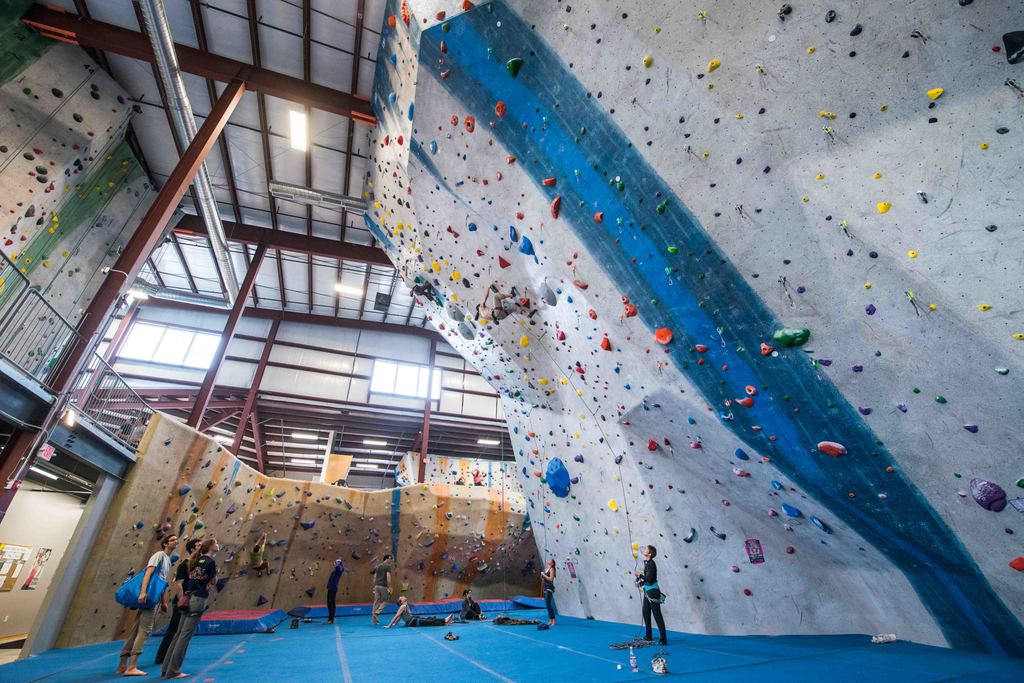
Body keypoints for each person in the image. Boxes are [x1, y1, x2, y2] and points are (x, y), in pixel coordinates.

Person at [116, 534, 177, 677]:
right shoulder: (159, 555)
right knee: (145, 630)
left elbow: (162, 583)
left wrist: (163, 602)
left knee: (136, 630)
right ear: (165, 544)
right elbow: (148, 574)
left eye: (176, 540)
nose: (176, 542)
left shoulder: (168, 560)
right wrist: (143, 592)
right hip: (148, 597)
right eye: (173, 540)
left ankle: (122, 664)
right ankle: (132, 666)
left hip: (153, 597)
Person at [162, 538, 220, 680]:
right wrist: (212, 580)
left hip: (188, 597)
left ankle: (166, 668)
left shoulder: (195, 561)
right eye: (216, 543)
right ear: (210, 547)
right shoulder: (210, 562)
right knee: (185, 636)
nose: (218, 545)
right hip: (198, 598)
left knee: (179, 634)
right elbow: (213, 581)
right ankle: (173, 671)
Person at [155, 538, 198, 666]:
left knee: (183, 630)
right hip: (181, 601)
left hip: (190, 600)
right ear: (192, 549)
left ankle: (174, 655)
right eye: (199, 545)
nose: (201, 547)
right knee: (174, 629)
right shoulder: (184, 564)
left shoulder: (196, 565)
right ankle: (161, 657)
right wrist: (182, 600)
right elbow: (178, 584)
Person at [633, 545, 667, 645]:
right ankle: (648, 636)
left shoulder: (651, 564)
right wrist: (640, 583)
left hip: (653, 592)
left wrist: (639, 575)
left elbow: (649, 579)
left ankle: (663, 639)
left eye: (646, 549)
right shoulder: (647, 563)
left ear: (650, 553)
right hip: (648, 591)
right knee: (646, 613)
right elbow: (648, 580)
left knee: (657, 615)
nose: (644, 549)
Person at [384, 596, 456, 628]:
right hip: (412, 621)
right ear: (401, 601)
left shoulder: (404, 605)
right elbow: (396, 616)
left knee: (429, 619)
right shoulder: (402, 606)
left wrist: (394, 624)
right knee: (428, 621)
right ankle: (444, 620)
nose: (403, 596)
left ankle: (444, 622)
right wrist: (389, 625)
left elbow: (399, 617)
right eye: (401, 597)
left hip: (413, 619)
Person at [371, 554, 392, 626]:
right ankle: (378, 612)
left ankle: (374, 621)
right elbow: (388, 577)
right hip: (383, 585)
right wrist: (389, 586)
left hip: (377, 585)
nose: (390, 560)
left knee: (376, 602)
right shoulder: (387, 566)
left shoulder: (378, 566)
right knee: (387, 599)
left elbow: (375, 576)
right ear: (386, 559)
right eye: (390, 558)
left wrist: (374, 586)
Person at [326, 558, 343, 624]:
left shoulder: (339, 570)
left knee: (331, 603)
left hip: (333, 588)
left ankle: (331, 619)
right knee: (329, 603)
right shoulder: (335, 571)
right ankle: (329, 618)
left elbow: (339, 568)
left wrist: (338, 562)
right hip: (330, 588)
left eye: (336, 563)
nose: (334, 564)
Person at [540, 558, 556, 626]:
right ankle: (551, 619)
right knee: (547, 605)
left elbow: (551, 579)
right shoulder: (546, 569)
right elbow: (544, 578)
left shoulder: (552, 569)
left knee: (548, 604)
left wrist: (544, 575)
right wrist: (542, 576)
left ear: (552, 563)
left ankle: (554, 620)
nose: (548, 560)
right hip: (545, 587)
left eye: (550, 560)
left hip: (549, 587)